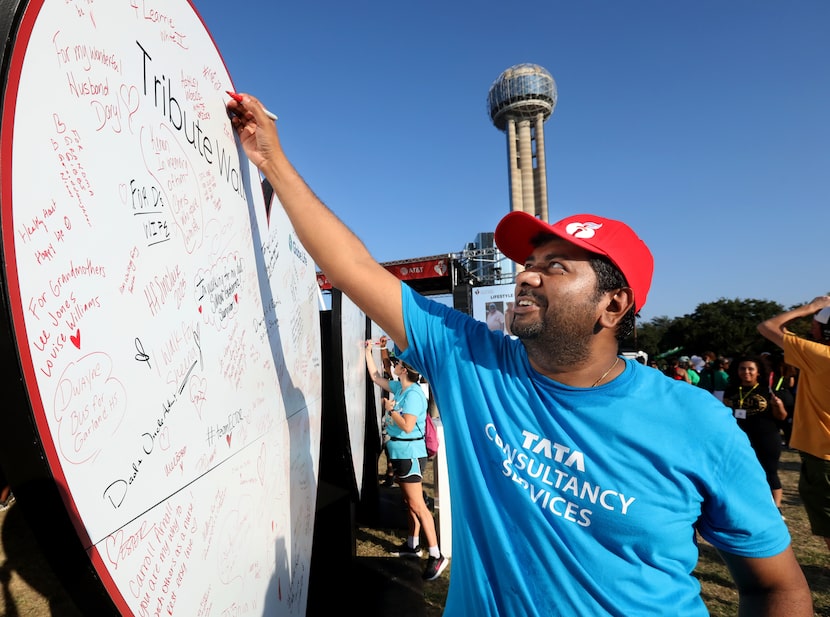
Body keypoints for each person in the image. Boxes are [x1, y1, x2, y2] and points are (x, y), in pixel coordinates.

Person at [228, 93, 811, 615]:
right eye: (528, 263)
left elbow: (776, 586)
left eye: (555, 266)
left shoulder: (698, 423)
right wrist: (271, 159)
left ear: (613, 307)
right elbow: (353, 267)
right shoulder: (471, 359)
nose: (526, 277)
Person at [364, 342, 447, 580]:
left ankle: (436, 554)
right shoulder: (399, 389)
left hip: (410, 455)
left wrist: (391, 411)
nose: (395, 364)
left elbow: (409, 426)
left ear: (405, 370)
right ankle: (412, 546)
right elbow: (375, 377)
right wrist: (368, 352)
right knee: (410, 503)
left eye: (398, 363)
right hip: (401, 454)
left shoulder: (413, 395)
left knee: (418, 505)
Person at [759, 296, 830, 552]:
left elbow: (767, 327)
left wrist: (808, 308)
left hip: (823, 455)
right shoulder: (817, 355)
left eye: (816, 326)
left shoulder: (820, 355)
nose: (811, 330)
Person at [722, 356, 788, 511]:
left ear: (758, 372)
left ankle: (776, 508)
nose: (746, 372)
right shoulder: (731, 389)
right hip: (739, 439)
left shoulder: (767, 390)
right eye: (742, 368)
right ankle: (747, 505)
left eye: (751, 369)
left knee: (769, 472)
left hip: (766, 437)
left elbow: (782, 416)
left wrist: (778, 406)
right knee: (741, 472)